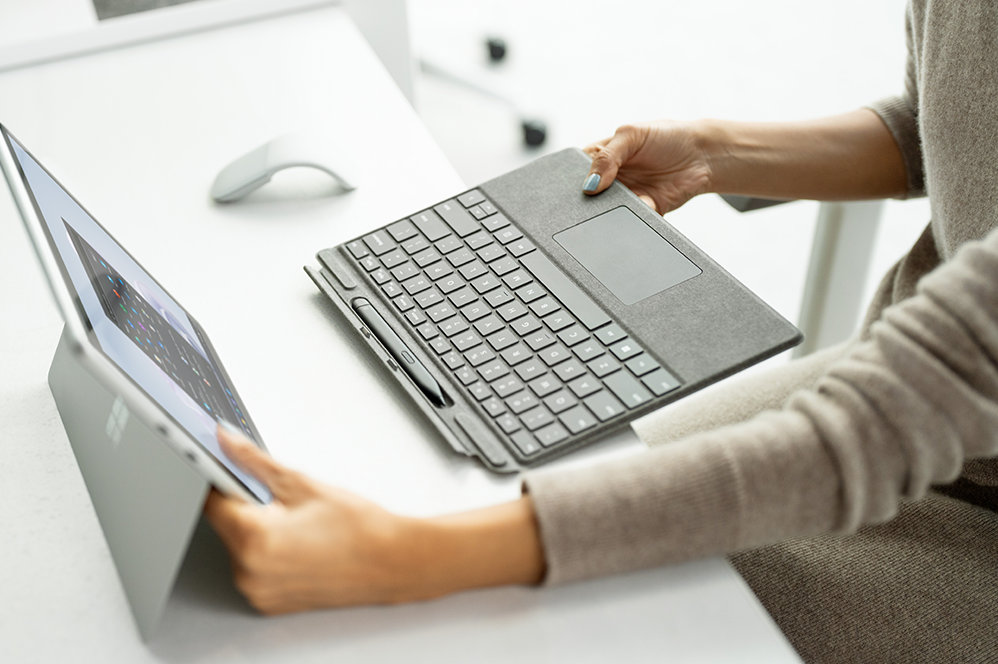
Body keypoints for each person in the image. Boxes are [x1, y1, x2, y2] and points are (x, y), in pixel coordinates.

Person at [206, 1, 998, 660]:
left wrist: (408, 555)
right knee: (549, 493)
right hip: (922, 380)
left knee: (577, 617)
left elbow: (862, 439)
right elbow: (940, 125)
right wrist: (717, 154)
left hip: (956, 497)